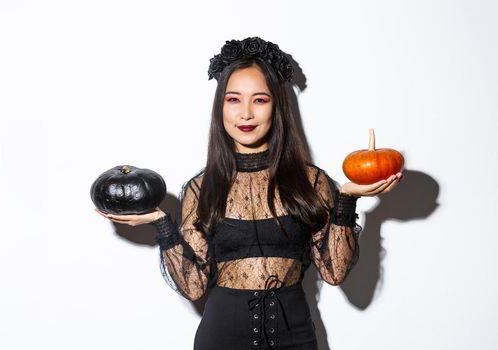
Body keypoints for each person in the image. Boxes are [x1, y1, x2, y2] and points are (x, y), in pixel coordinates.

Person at [94, 37, 402, 350]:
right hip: (221, 338)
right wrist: (162, 224)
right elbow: (193, 286)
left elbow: (335, 272)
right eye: (233, 99)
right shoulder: (201, 189)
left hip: (295, 339)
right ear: (220, 107)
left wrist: (348, 200)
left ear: (276, 106)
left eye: (259, 100)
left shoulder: (311, 181)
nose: (246, 114)